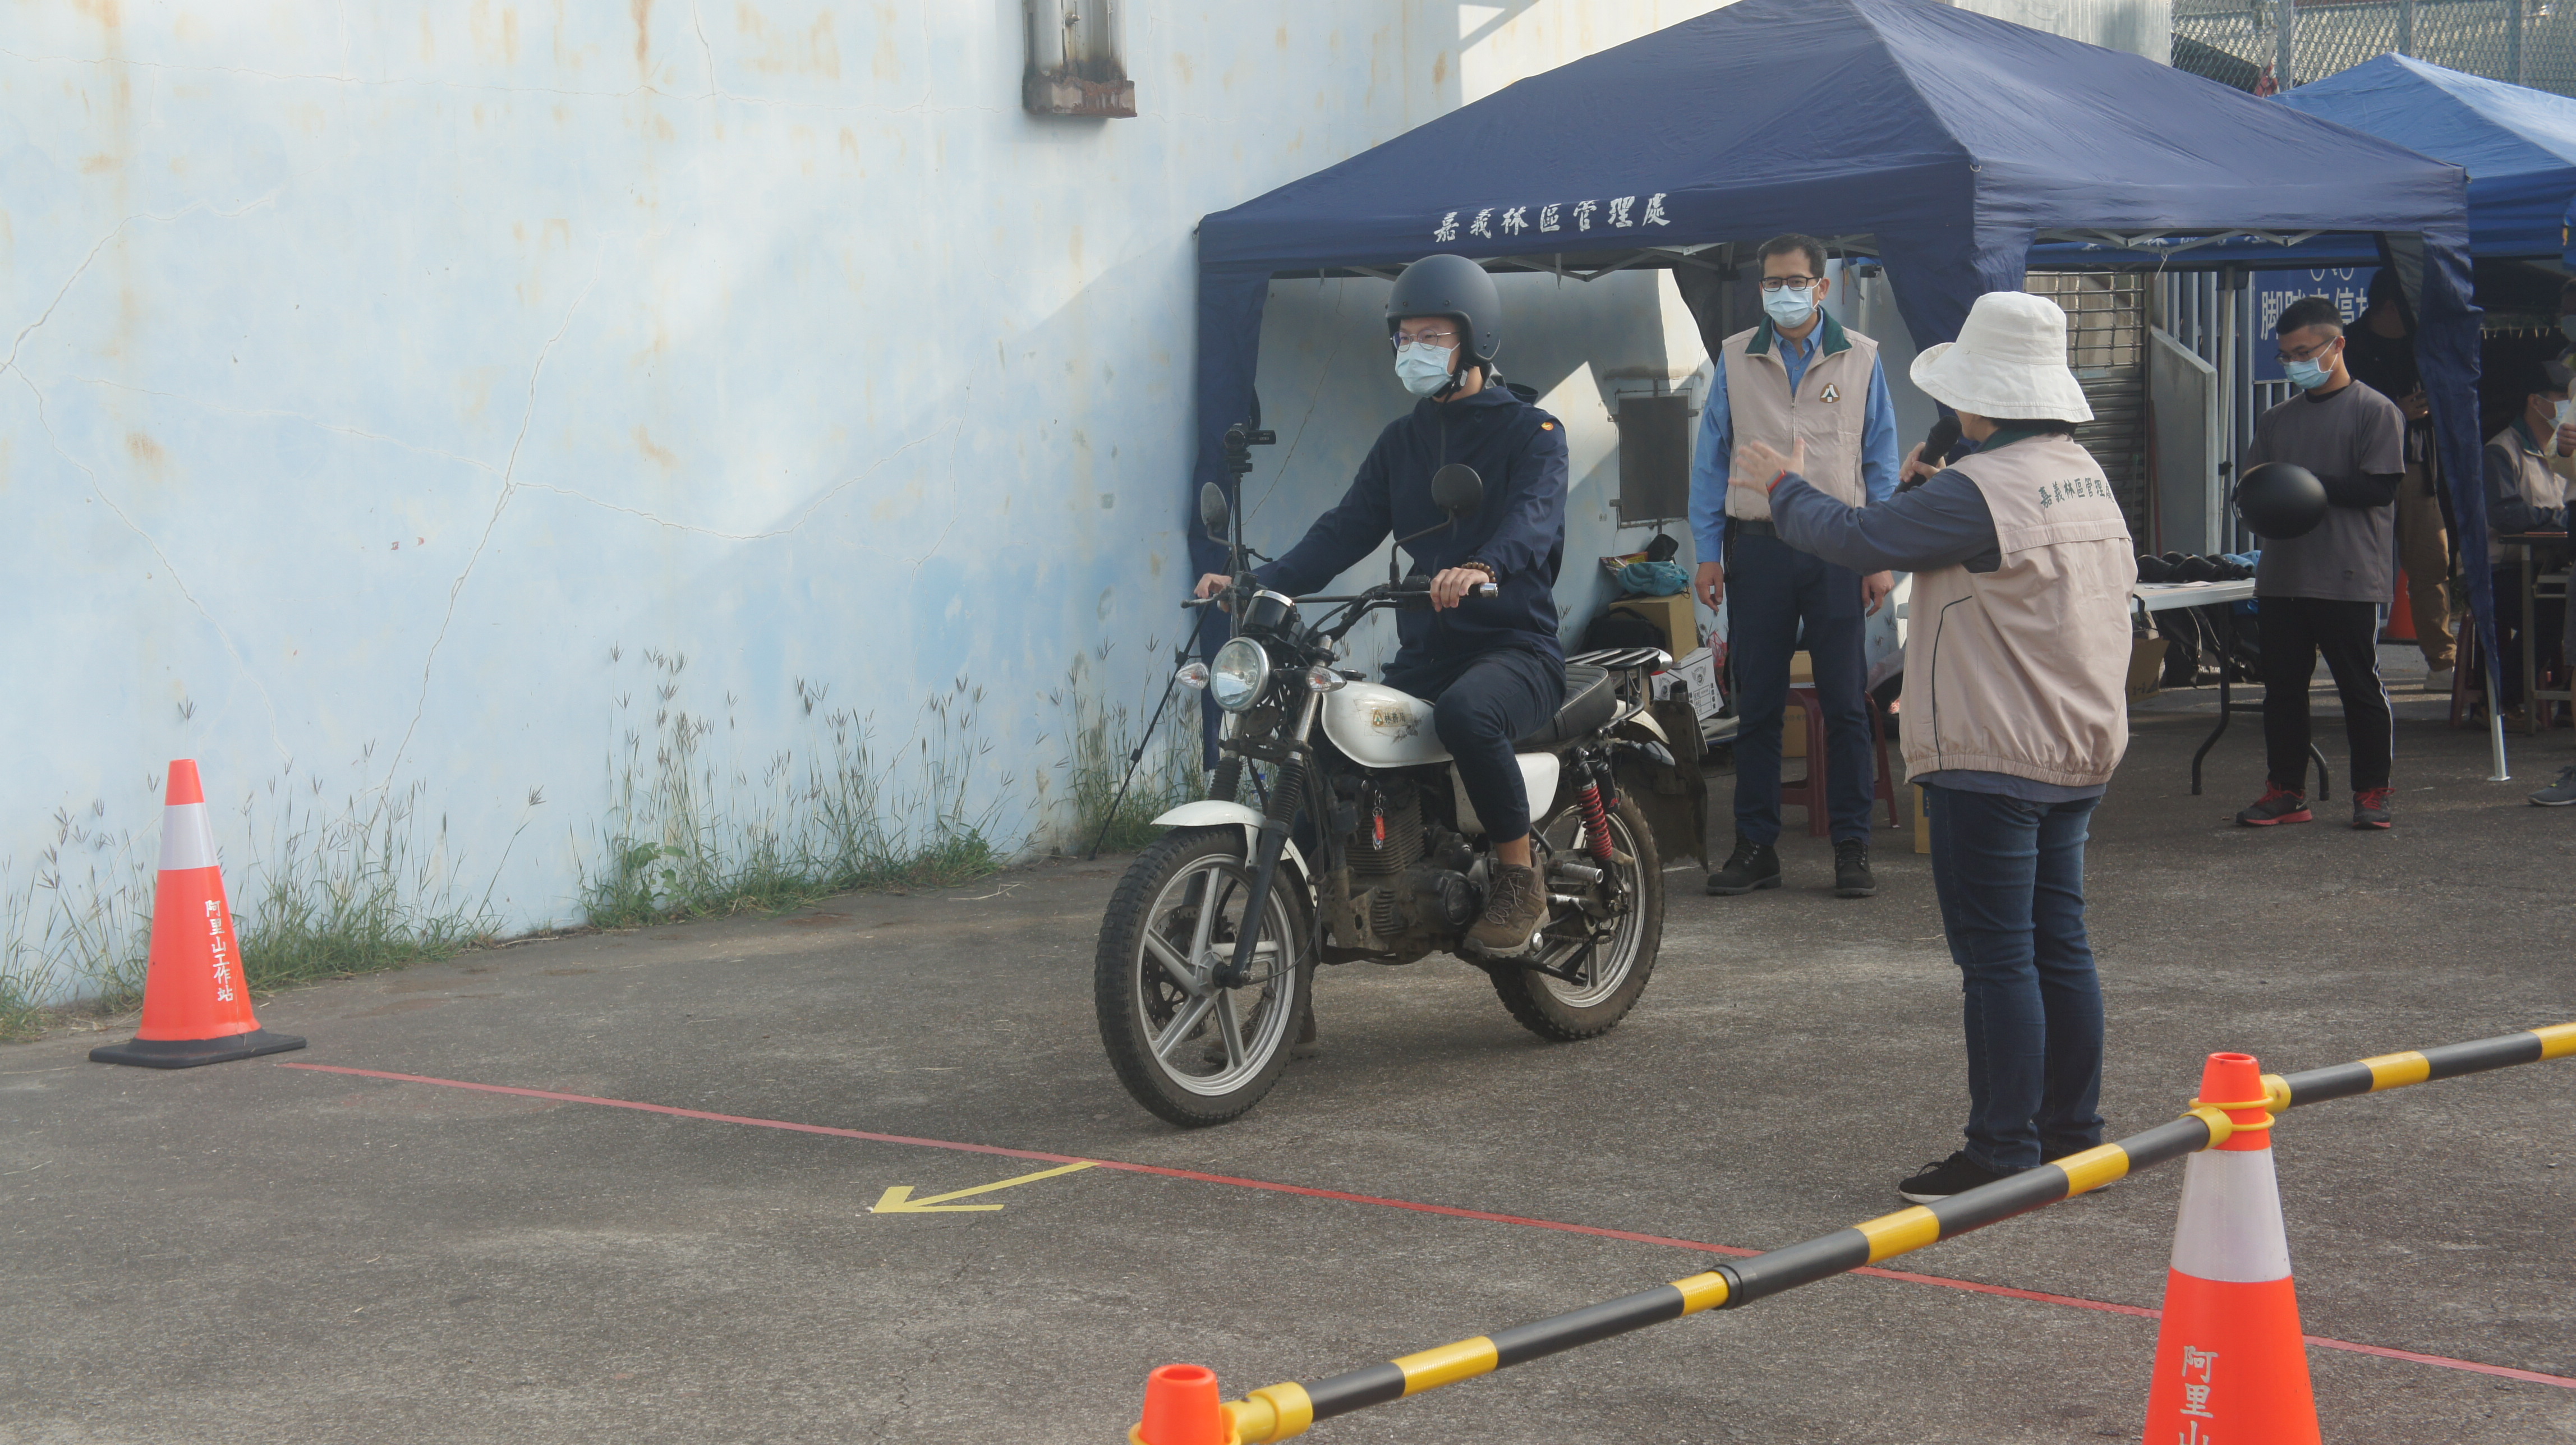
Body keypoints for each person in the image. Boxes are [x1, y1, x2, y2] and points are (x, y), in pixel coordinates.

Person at [1750, 291, 2135, 1202]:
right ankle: (2073, 1132)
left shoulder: (1978, 490)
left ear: (1981, 399)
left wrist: (1782, 486)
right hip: (2077, 739)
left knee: (1997, 958)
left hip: (1992, 748)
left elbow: (1856, 538)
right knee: (2059, 944)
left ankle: (2000, 1149)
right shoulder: (2082, 472)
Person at [1194, 253, 1568, 952]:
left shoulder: (1533, 434)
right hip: (1426, 654)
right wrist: (1256, 581)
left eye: (1432, 336)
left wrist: (1481, 565)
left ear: (1475, 339)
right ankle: (1300, 926)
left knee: (1468, 713)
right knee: (1330, 739)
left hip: (1515, 648)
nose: (1412, 349)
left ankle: (1520, 876)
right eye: (1404, 336)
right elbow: (1343, 530)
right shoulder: (1402, 441)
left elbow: (1533, 520)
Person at [1689, 234, 1900, 900]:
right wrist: (1706, 551)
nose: (1782, 293)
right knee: (1756, 704)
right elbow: (1710, 457)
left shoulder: (1860, 357)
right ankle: (1755, 847)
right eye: (1771, 282)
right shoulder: (1734, 356)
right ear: (1760, 288)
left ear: (1821, 287)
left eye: (1795, 281)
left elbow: (1880, 460)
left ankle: (1851, 846)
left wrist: (1877, 555)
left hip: (1837, 547)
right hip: (1757, 546)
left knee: (1844, 701)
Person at [2233, 296, 2405, 831]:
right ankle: (2286, 791)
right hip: (2283, 575)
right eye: (2287, 356)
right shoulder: (2276, 419)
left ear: (2337, 345)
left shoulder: (2375, 411)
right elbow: (2256, 487)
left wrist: (2305, 486)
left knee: (2359, 688)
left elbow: (2379, 488)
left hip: (2348, 575)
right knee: (2283, 691)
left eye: (2305, 352)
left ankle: (2372, 793)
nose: (2295, 364)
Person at [2343, 270, 2453, 692]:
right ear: (2390, 306)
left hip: (2418, 468)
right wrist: (2395, 411)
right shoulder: (2348, 345)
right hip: (2365, 471)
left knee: (2431, 563)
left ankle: (2443, 663)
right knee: (2356, 569)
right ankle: (2349, 662)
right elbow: (2337, 410)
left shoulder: (2421, 343)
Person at [2480, 358, 2571, 738]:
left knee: (2566, 601)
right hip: (2501, 571)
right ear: (2536, 402)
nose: (2571, 408)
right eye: (2564, 399)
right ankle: (2500, 701)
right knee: (2553, 612)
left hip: (2549, 567)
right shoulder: (2501, 450)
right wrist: (2559, 518)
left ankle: (2568, 702)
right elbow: (2507, 515)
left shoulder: (2566, 451)